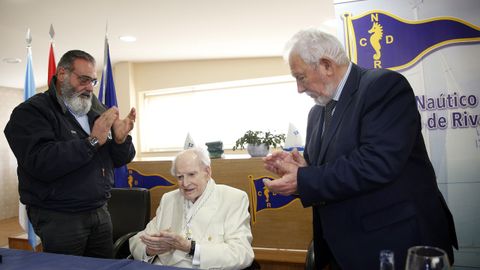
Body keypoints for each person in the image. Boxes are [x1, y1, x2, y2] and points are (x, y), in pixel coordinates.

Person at [263, 29, 458, 270]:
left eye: (300, 77)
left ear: (326, 65)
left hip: (394, 243)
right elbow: (324, 174)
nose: (299, 89)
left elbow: (377, 162)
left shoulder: (383, 87)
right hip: (343, 249)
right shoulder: (317, 113)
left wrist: (305, 178)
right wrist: (300, 170)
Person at [4, 50, 136, 258]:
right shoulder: (31, 111)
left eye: (93, 81)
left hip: (99, 211)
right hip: (60, 216)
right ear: (62, 74)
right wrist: (92, 141)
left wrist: (120, 141)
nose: (89, 88)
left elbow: (119, 159)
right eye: (83, 80)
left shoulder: (95, 108)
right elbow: (40, 162)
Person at [130, 147, 254, 269]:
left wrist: (191, 248)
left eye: (191, 174)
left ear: (207, 172)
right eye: (180, 177)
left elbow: (242, 253)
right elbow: (137, 240)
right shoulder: (169, 199)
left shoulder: (233, 198)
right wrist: (150, 250)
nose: (185, 183)